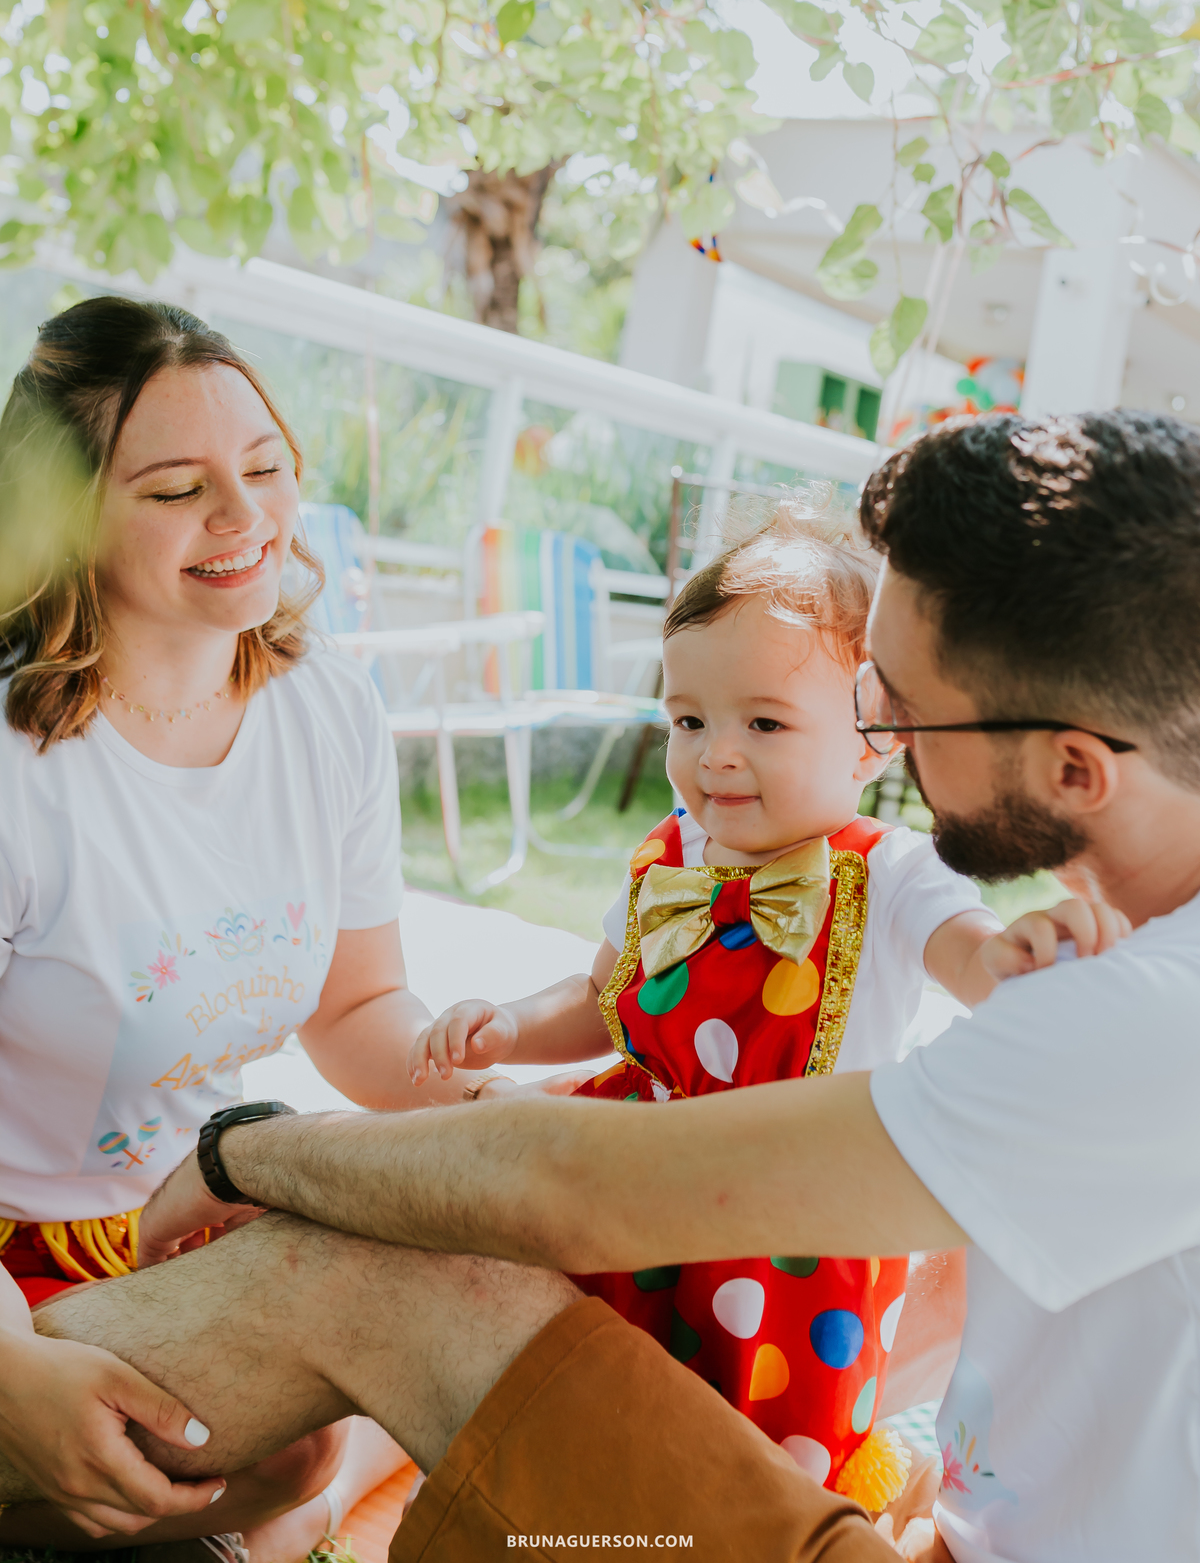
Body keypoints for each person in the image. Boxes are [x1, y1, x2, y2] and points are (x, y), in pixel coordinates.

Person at [5, 407, 1200, 1563]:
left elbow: (567, 1187)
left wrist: (242, 1154)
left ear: (1074, 767)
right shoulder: (1118, 983)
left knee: (369, 1270)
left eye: (899, 707)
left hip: (786, 1370)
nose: (878, 730)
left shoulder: (1132, 1021)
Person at [407, 499, 1117, 1514]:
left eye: (764, 723)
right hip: (634, 1184)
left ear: (877, 740)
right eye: (688, 719)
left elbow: (974, 961)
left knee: (754, 1464)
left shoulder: (894, 875)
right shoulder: (670, 851)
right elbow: (602, 996)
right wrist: (511, 1026)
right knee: (598, 1393)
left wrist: (1026, 956)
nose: (715, 755)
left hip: (791, 1238)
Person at [0, 297, 505, 1560]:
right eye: (178, 489)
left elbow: (353, 1011)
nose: (245, 518)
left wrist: (500, 1112)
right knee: (261, 1439)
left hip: (196, 1213)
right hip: (15, 1269)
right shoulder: (18, 771)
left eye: (266, 468)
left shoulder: (325, 705)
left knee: (439, 1307)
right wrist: (8, 1375)